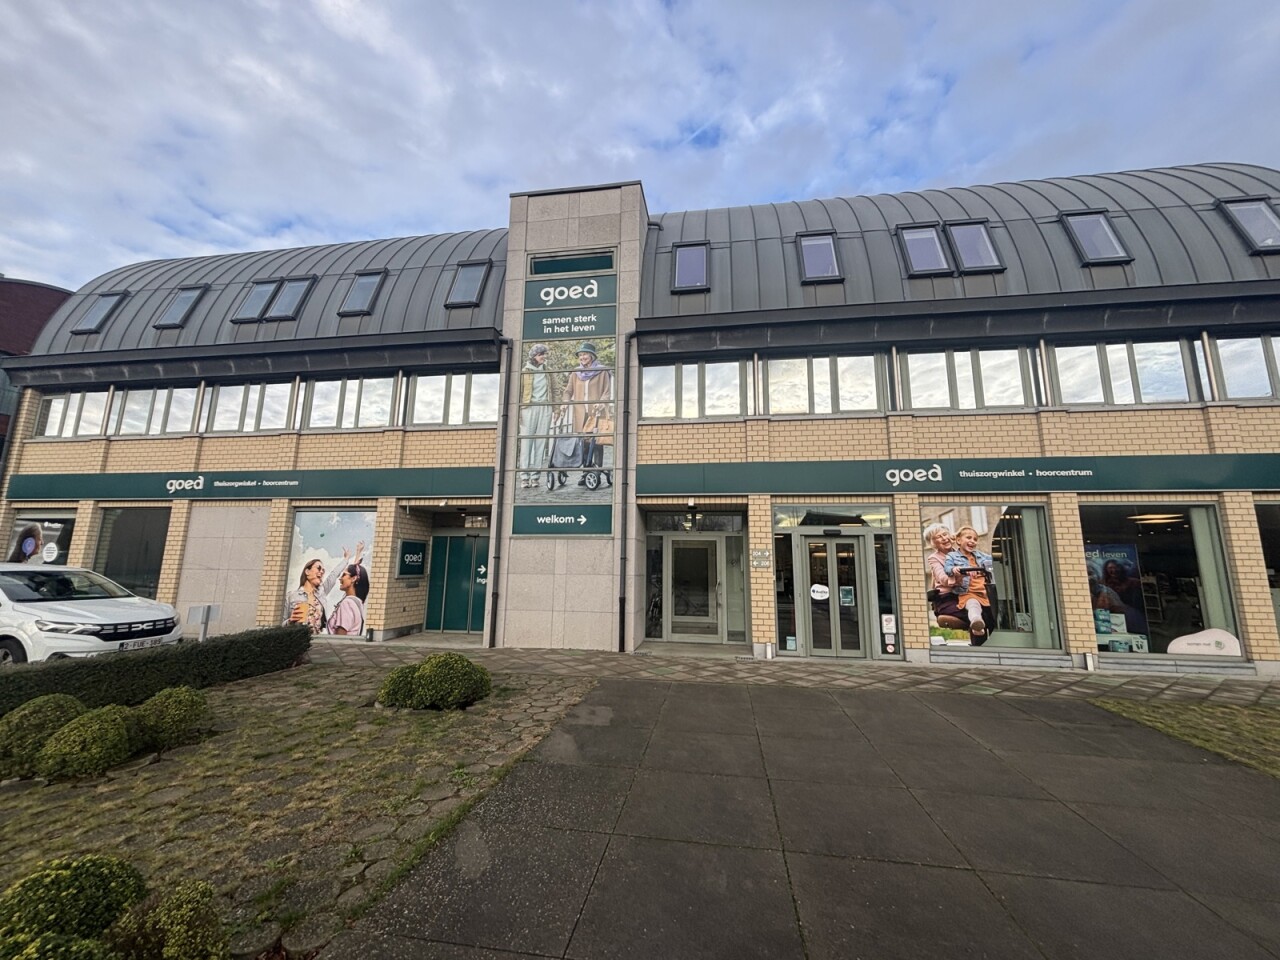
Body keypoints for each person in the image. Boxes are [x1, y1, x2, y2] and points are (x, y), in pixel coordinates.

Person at [283, 540, 364, 634]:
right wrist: (289, 622)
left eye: (323, 570)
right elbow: (281, 624)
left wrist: (347, 558)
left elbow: (335, 574)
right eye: (318, 568)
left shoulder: (322, 591)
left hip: (317, 640)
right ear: (307, 572)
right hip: (297, 638)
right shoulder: (291, 596)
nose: (321, 571)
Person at [561, 341, 611, 486]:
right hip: (580, 414)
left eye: (585, 354)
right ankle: (585, 474)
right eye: (580, 355)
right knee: (583, 444)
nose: (582, 357)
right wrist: (565, 403)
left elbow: (607, 392)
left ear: (592, 356)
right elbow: (568, 391)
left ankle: (597, 473)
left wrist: (601, 403)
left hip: (596, 413)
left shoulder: (602, 371)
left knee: (597, 444)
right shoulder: (576, 373)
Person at [943, 526, 996, 645]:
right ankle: (976, 623)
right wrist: (955, 569)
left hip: (985, 593)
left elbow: (993, 560)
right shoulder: (952, 556)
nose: (972, 541)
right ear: (958, 540)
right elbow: (947, 568)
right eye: (968, 538)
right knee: (973, 605)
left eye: (975, 539)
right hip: (968, 592)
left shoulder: (980, 555)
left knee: (992, 615)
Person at [518, 343, 553, 488]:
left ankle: (535, 477)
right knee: (527, 443)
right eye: (540, 354)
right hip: (528, 408)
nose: (543, 357)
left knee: (540, 443)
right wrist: (517, 412)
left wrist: (557, 409)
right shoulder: (525, 371)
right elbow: (518, 392)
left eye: (544, 354)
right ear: (533, 356)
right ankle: (524, 477)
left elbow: (555, 389)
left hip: (545, 407)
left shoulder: (548, 371)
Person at [924, 524, 968, 630]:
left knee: (982, 609)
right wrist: (958, 578)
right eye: (939, 537)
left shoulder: (961, 552)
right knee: (971, 614)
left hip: (966, 593)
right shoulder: (934, 558)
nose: (944, 538)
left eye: (945, 534)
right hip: (948, 597)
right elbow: (943, 578)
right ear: (932, 543)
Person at [327, 563, 370, 636]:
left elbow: (340, 637)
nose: (340, 578)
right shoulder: (358, 602)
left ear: (353, 578)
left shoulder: (347, 603)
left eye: (344, 575)